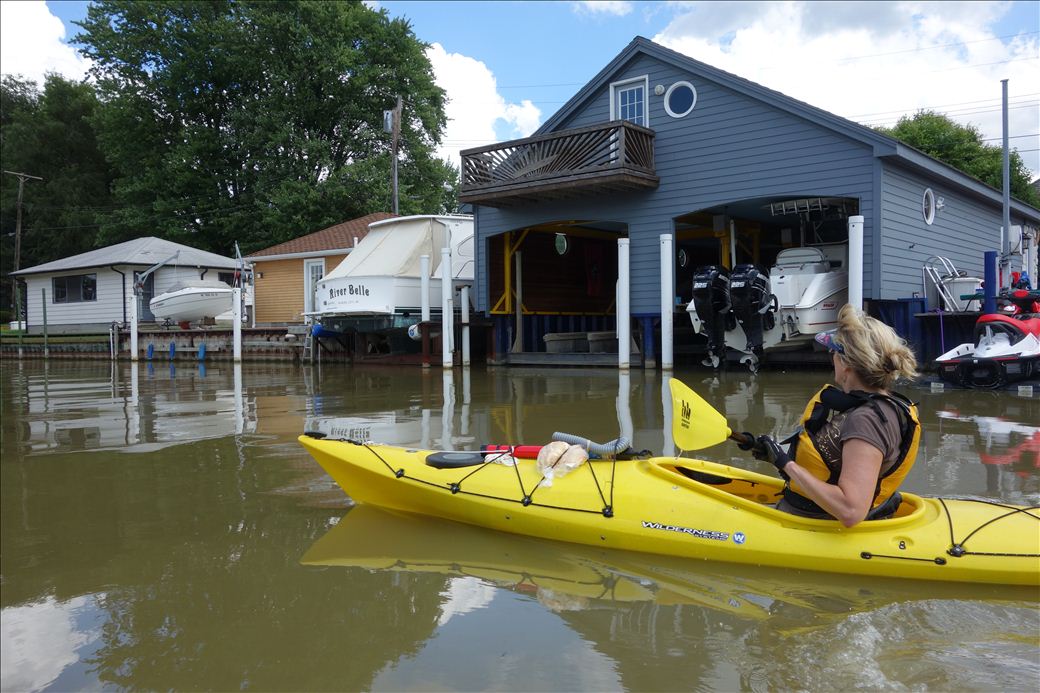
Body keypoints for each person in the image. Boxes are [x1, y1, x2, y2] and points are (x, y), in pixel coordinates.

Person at [741, 304, 921, 527]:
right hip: (818, 515)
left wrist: (786, 464)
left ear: (846, 363)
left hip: (818, 524)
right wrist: (774, 456)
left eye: (834, 352)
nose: (832, 358)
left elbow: (851, 510)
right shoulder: (885, 406)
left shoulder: (866, 421)